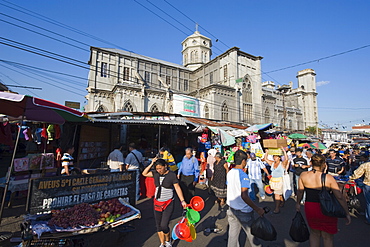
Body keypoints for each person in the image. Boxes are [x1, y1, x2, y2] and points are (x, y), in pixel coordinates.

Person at [296, 154, 351, 247]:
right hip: (326, 207)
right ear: (324, 164)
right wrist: (347, 212)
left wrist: (297, 203)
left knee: (314, 233)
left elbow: (300, 191)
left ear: (311, 163)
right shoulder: (328, 178)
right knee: (327, 236)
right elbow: (339, 197)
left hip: (310, 206)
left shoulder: (303, 175)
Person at [142, 158, 187, 247]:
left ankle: (168, 240)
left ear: (165, 166)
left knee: (164, 225)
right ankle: (162, 243)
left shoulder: (171, 175)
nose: (159, 170)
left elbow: (177, 188)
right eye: (157, 168)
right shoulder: (155, 174)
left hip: (168, 202)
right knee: (158, 225)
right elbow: (144, 173)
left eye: (160, 168)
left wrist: (182, 201)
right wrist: (152, 163)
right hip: (157, 202)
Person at [226, 150, 265, 247]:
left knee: (232, 236)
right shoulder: (243, 175)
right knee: (252, 235)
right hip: (243, 211)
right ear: (243, 161)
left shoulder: (230, 173)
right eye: (246, 161)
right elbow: (244, 196)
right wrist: (257, 209)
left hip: (231, 208)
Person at [264, 147, 289, 214]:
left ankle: (277, 208)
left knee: (276, 194)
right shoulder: (272, 163)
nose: (274, 158)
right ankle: (282, 201)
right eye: (274, 157)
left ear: (279, 158)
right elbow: (266, 159)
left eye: (276, 157)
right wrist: (267, 152)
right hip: (273, 181)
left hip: (280, 181)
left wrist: (284, 151)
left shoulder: (282, 164)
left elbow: (286, 159)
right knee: (279, 195)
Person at [350, 160, 370, 225]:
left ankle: (369, 219)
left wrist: (351, 178)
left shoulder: (366, 165)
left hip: (368, 184)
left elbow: (356, 174)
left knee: (369, 203)